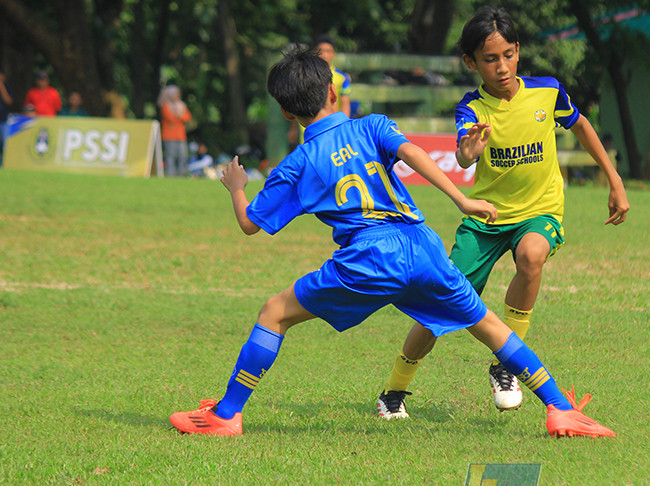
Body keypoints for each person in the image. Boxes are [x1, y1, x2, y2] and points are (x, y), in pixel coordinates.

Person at [169, 48, 615, 439]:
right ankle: (560, 409)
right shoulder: (373, 125)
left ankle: (226, 414)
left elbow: (251, 224)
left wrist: (237, 187)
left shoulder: (298, 163)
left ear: (287, 113)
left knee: (274, 313)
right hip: (422, 245)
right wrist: (462, 199)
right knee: (490, 327)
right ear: (332, 93)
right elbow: (412, 153)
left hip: (367, 256)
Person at [375, 6, 629, 419]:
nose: (502, 67)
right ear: (470, 62)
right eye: (490, 59)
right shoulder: (472, 107)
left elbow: (581, 125)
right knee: (440, 304)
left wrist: (614, 180)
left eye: (508, 55)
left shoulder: (548, 92)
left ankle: (505, 364)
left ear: (518, 51)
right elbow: (464, 150)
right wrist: (467, 152)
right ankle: (393, 392)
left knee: (532, 256)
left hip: (540, 211)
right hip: (486, 219)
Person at [288, 35, 352, 147]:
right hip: (308, 128)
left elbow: (345, 103)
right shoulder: (306, 76)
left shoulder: (341, 77)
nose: (324, 54)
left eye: (328, 51)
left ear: (333, 53)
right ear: (315, 52)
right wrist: (293, 128)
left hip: (333, 126)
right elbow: (298, 102)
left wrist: (345, 126)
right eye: (321, 51)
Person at [157, 85, 193, 177]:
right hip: (169, 136)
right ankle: (170, 174)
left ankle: (181, 174)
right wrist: (180, 117)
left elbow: (187, 117)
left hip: (181, 136)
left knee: (183, 156)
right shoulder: (165, 106)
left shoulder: (182, 105)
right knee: (170, 156)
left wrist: (179, 116)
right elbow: (170, 118)